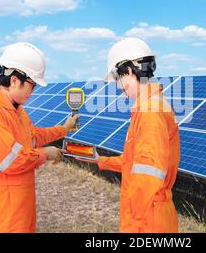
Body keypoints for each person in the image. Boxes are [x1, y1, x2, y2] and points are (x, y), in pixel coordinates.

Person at [0, 42, 79, 233]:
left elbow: (33, 137)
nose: (33, 91)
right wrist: (45, 154)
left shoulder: (16, 111)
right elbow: (10, 160)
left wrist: (64, 129)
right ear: (14, 80)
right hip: (3, 202)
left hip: (21, 198)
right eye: (32, 85)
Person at [78, 37, 181, 233]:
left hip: (147, 220)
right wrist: (101, 160)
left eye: (118, 79)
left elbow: (148, 177)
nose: (118, 86)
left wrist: (132, 226)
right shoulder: (148, 107)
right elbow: (135, 162)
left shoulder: (150, 112)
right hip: (148, 214)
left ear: (128, 71)